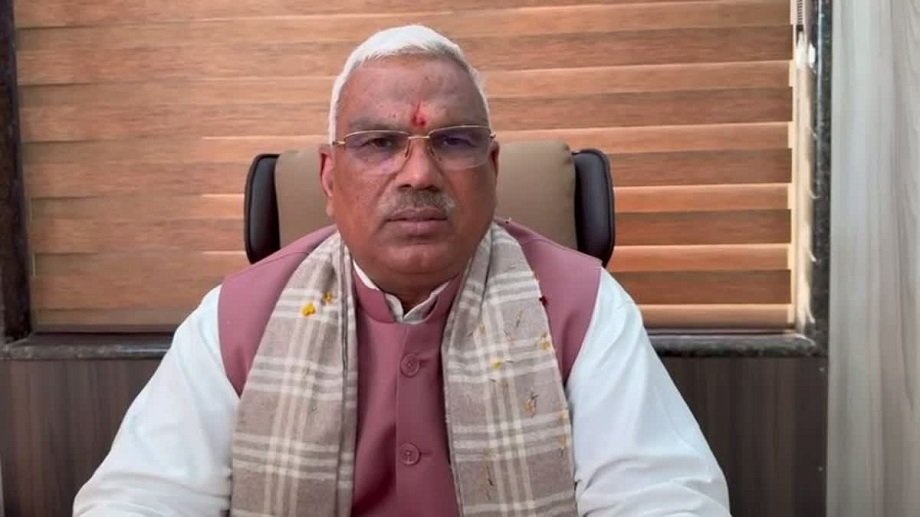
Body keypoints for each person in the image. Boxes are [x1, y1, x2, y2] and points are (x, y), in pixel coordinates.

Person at [74, 25, 730, 516]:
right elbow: (142, 495)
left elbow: (660, 495)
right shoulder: (237, 316)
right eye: (379, 143)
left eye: (453, 141)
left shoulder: (583, 306)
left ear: (492, 170)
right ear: (329, 177)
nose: (418, 174)